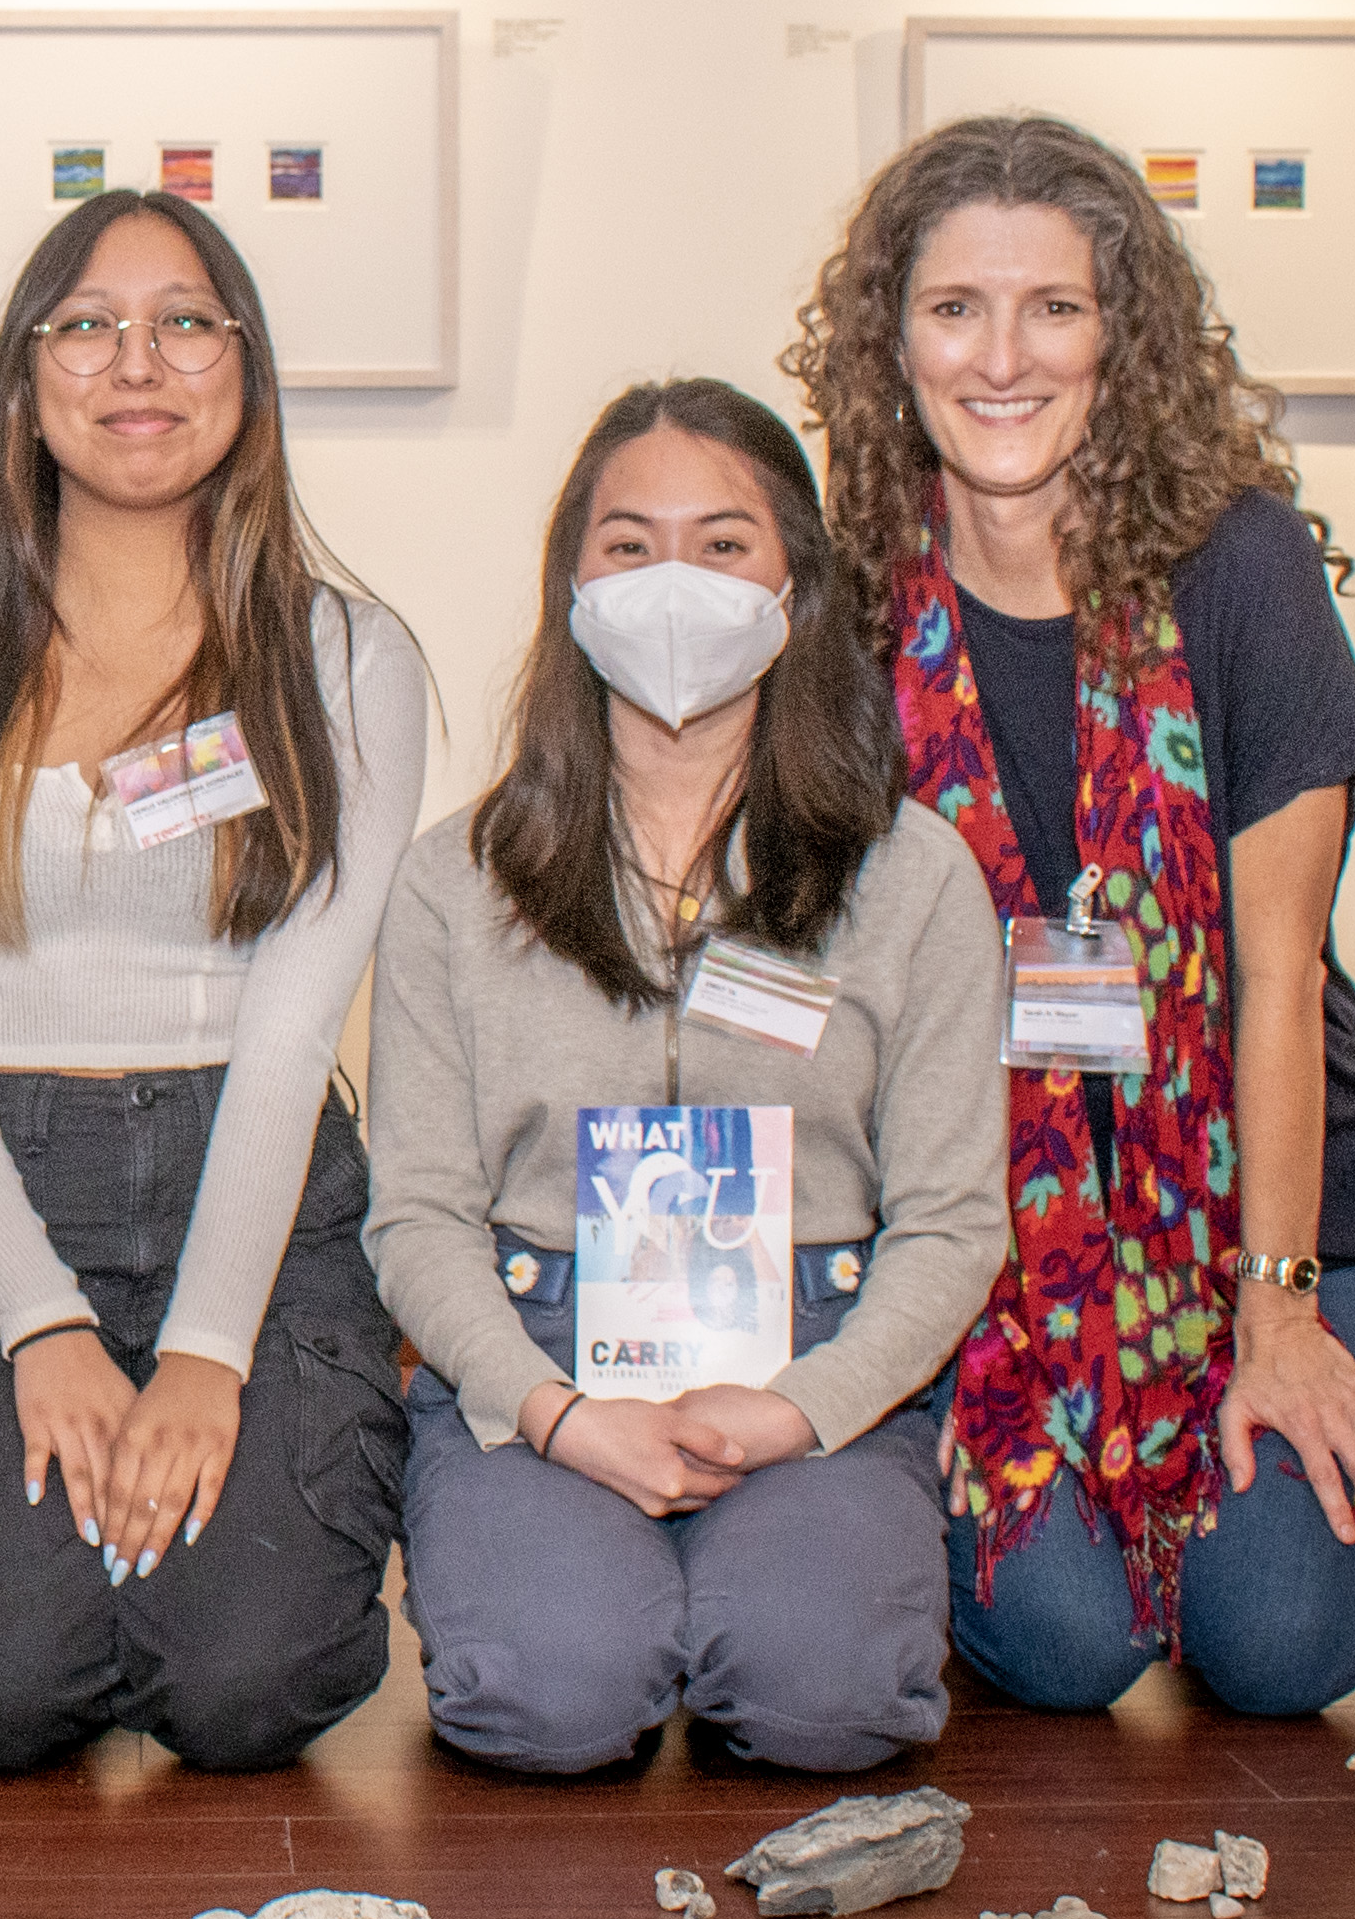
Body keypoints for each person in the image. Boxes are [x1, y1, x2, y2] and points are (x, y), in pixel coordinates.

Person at [784, 112, 1355, 1716]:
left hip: (1273, 1202)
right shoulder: (854, 603)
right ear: (893, 340)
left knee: (1279, 1647)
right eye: (956, 308)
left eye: (1056, 308)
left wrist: (1277, 1309)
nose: (1002, 356)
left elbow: (1281, 980)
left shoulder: (1242, 567)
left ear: (1123, 339)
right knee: (1069, 1646)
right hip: (987, 1235)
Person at [0, 190, 432, 1774]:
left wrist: (212, 1349)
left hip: (262, 1181)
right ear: (26, 379)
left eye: (185, 320)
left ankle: (153, 1586)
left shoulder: (346, 655)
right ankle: (82, 1586)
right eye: (87, 323)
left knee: (249, 1690)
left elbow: (298, 1018)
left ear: (246, 370)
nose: (136, 359)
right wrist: (43, 1327)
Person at [365, 382, 1011, 1772]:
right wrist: (559, 1417)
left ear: (796, 584)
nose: (674, 583)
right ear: (571, 580)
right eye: (628, 543)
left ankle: (746, 1597)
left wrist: (804, 1408)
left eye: (723, 544)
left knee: (822, 1699)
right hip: (538, 1350)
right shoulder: (451, 881)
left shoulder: (914, 876)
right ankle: (595, 1592)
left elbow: (954, 1218)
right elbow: (416, 1213)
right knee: (552, 1700)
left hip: (816, 1349)